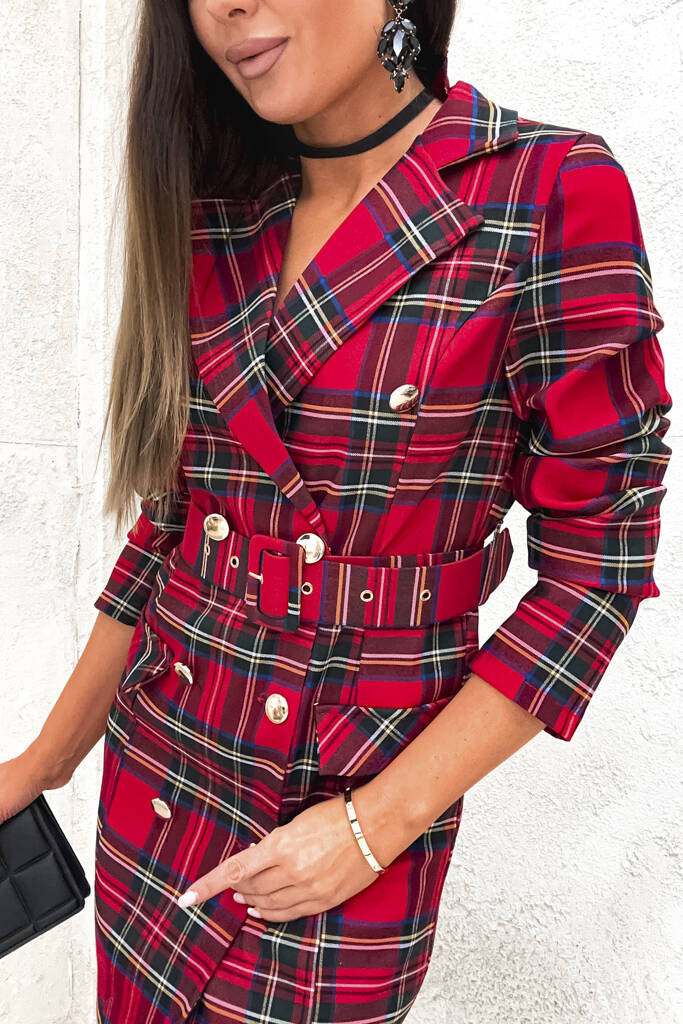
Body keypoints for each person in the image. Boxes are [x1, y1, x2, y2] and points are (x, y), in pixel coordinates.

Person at [0, 1, 672, 1022]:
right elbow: (173, 527)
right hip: (156, 785)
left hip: (340, 816)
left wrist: (373, 827)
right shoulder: (222, 201)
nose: (226, 6)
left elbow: (594, 576)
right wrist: (44, 763)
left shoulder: (544, 191)